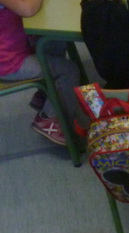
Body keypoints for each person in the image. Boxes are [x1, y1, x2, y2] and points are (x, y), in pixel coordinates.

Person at [0, 0, 81, 145]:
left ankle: (47, 95)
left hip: (16, 48)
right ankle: (49, 118)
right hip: (8, 63)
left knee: (55, 42)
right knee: (68, 71)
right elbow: (28, 9)